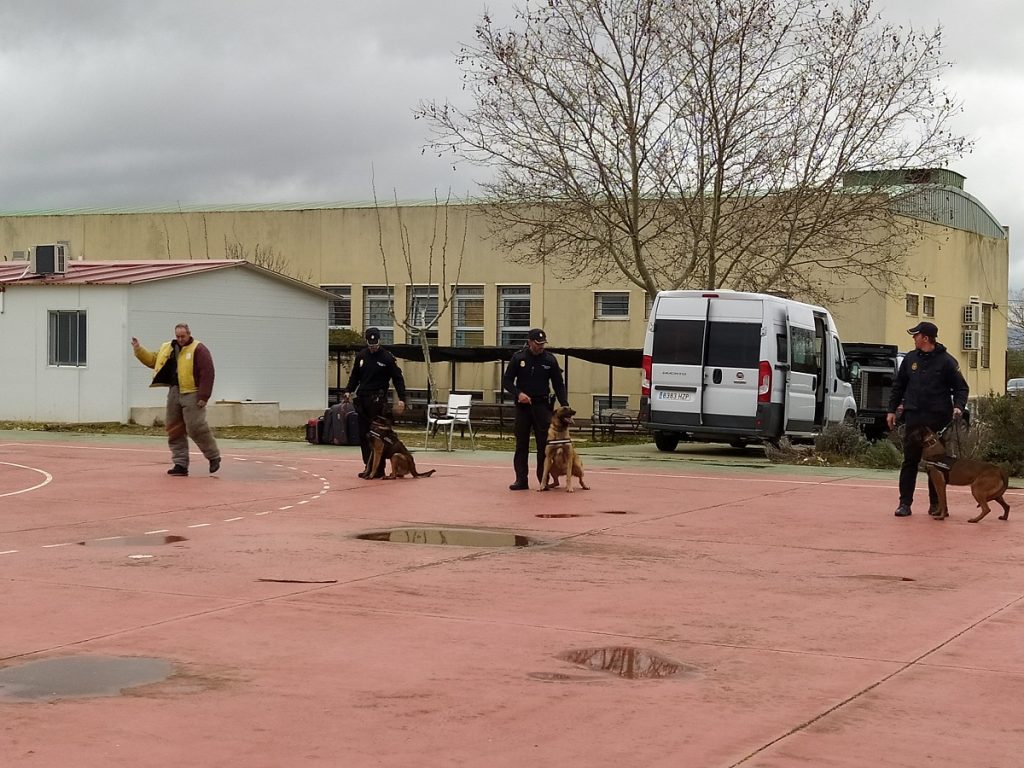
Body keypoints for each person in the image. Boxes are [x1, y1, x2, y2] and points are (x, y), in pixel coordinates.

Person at [887, 321, 969, 517]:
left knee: (936, 464)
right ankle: (904, 503)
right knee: (910, 461)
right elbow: (899, 386)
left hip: (937, 419)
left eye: (916, 335)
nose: (913, 338)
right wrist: (891, 410)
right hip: (914, 417)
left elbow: (961, 388)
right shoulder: (910, 359)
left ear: (925, 337)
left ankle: (936, 504)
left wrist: (958, 406)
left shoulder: (947, 361)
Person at [131, 323, 221, 477]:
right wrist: (139, 349)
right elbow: (153, 360)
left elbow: (208, 372)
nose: (180, 339)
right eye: (177, 336)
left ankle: (213, 456)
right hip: (174, 391)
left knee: (195, 427)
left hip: (192, 392)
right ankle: (180, 463)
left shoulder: (199, 349)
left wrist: (204, 396)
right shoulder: (168, 347)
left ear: (189, 334)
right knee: (174, 429)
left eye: (183, 336)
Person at [502, 327, 569, 490]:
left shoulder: (550, 360)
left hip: (542, 407)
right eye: (538, 343)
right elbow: (507, 381)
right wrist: (519, 394)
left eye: (543, 344)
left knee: (543, 446)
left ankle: (543, 479)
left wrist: (564, 403)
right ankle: (521, 480)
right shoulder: (519, 358)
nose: (541, 347)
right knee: (521, 444)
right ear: (530, 342)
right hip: (523, 407)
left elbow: (558, 384)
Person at [344, 327, 407, 478]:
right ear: (366, 341)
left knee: (378, 437)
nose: (373, 347)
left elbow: (398, 378)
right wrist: (348, 390)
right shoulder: (361, 356)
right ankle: (368, 465)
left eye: (375, 343)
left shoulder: (387, 358)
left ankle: (379, 469)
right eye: (370, 344)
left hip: (377, 402)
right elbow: (355, 376)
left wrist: (402, 398)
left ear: (379, 341)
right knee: (363, 435)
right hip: (362, 401)